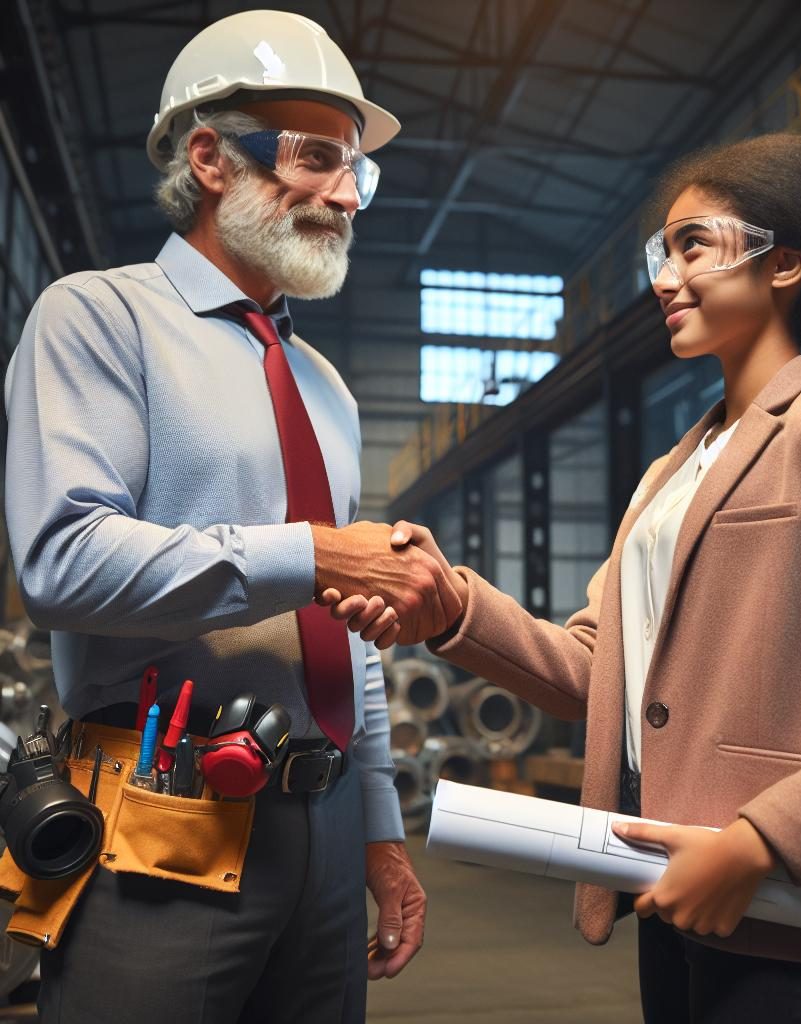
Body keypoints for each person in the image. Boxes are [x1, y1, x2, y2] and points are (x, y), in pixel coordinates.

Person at [324, 133, 801, 1023]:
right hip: (666, 885)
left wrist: (765, 840)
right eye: (664, 251)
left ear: (785, 265)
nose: (665, 277)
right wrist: (453, 608)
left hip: (782, 902)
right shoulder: (669, 474)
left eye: (695, 246)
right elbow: (593, 672)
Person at [4, 11, 462, 1023]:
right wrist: (311, 552)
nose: (346, 194)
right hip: (165, 817)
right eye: (315, 158)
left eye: (356, 171)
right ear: (207, 156)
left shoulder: (325, 386)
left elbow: (348, 629)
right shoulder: (97, 319)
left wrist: (380, 824)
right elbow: (63, 559)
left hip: (328, 819)